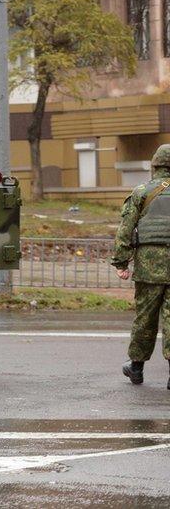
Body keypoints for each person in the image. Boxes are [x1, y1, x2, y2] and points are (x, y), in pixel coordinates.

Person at [113, 144, 170, 389]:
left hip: (148, 267)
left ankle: (136, 368)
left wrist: (121, 262)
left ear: (154, 166)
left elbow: (125, 230)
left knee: (144, 318)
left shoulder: (141, 192)